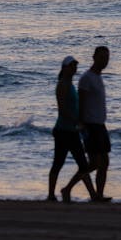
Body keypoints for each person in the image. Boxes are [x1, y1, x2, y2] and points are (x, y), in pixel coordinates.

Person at [47, 56, 96, 203]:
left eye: (75, 66)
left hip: (72, 130)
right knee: (59, 163)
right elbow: (62, 109)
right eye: (71, 66)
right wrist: (78, 122)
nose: (74, 68)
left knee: (83, 164)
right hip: (64, 131)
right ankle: (52, 195)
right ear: (64, 68)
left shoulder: (70, 84)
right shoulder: (63, 84)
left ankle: (92, 195)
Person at [78, 46, 112, 202]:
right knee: (94, 163)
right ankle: (69, 187)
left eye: (107, 58)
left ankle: (99, 194)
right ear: (94, 57)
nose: (104, 60)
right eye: (102, 57)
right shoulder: (87, 78)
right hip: (90, 125)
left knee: (104, 162)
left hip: (100, 124)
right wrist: (82, 124)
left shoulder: (98, 77)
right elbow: (81, 102)